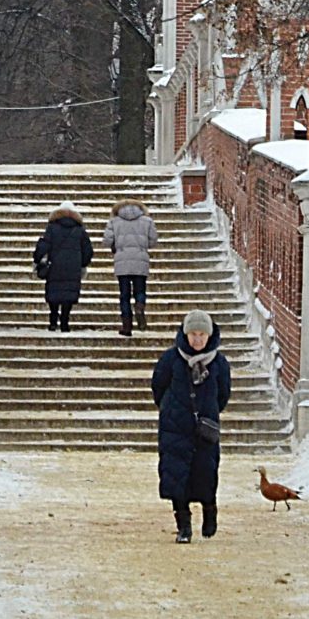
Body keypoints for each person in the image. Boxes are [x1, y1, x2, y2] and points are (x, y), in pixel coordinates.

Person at [151, 309, 231, 542]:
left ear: (209, 335)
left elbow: (223, 394)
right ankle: (183, 526)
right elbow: (158, 386)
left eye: (202, 334)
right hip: (175, 428)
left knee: (206, 473)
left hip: (205, 429)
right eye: (193, 334)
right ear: (185, 334)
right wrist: (170, 408)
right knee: (177, 478)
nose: (197, 339)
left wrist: (210, 413)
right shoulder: (171, 359)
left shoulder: (218, 362)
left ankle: (209, 511)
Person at [32, 201, 94, 331]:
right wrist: (82, 263)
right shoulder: (79, 230)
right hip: (73, 268)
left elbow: (44, 245)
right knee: (69, 294)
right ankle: (65, 321)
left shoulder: (52, 228)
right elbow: (88, 250)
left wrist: (38, 259)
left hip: (55, 266)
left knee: (54, 292)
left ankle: (53, 319)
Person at [104, 200, 158, 336]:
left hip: (122, 260)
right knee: (140, 290)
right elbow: (153, 241)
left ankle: (127, 327)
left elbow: (107, 241)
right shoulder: (147, 221)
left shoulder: (114, 221)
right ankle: (140, 306)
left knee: (124, 295)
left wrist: (115, 247)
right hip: (141, 259)